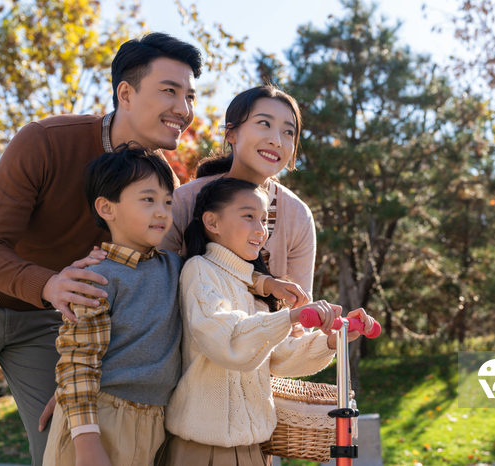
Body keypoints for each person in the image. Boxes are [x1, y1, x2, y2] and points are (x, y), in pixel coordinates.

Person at [0, 32, 201, 465]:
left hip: (49, 318)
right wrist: (48, 284)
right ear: (125, 92)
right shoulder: (45, 141)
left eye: (190, 96)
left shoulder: (163, 188)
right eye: (170, 91)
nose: (184, 109)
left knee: (62, 442)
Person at [160, 178, 375, 465]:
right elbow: (228, 341)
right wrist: (290, 316)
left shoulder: (251, 288)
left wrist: (331, 340)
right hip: (205, 449)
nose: (260, 230)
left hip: (255, 450)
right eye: (249, 216)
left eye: (264, 220)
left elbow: (276, 358)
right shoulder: (200, 272)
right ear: (212, 222)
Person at [43, 144, 182, 466]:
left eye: (168, 202)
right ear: (107, 208)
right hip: (98, 420)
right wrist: (87, 441)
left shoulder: (175, 267)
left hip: (155, 420)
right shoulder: (97, 277)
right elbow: (78, 361)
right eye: (148, 199)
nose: (162, 211)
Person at [159, 85, 316, 304]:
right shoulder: (184, 200)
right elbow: (154, 282)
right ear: (231, 133)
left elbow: (299, 313)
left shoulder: (298, 216)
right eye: (264, 124)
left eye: (288, 132)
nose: (277, 141)